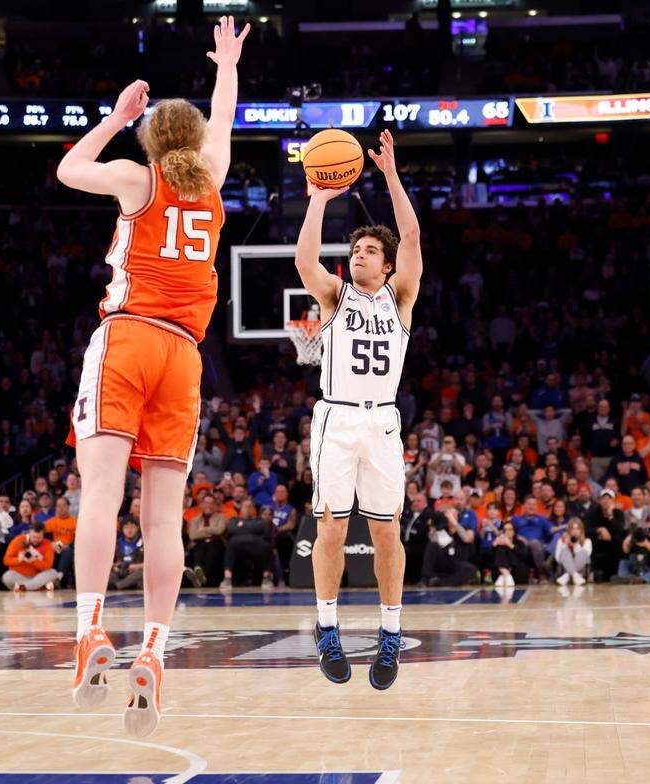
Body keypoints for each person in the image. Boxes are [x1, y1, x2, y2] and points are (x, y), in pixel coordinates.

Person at [59, 18, 250, 735]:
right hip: (184, 356)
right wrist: (226, 65)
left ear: (150, 140)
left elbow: (68, 171)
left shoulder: (136, 178)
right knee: (163, 518)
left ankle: (89, 637)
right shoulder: (215, 182)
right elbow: (225, 117)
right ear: (194, 141)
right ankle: (156, 654)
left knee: (102, 493)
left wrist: (113, 119)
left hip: (129, 337)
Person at [295, 128, 422, 690]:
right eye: (356, 250)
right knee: (331, 526)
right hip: (338, 417)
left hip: (384, 420)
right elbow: (304, 260)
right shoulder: (335, 295)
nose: (358, 255)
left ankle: (390, 635)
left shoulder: (400, 297)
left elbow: (413, 233)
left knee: (388, 531)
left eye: (370, 251)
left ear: (388, 266)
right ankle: (327, 628)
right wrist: (319, 200)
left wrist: (391, 175)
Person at [219, 500, 275, 591]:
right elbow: (231, 530)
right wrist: (250, 528)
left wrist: (241, 527)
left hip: (256, 547)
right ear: (240, 509)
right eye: (245, 507)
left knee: (267, 547)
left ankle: (266, 579)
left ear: (253, 509)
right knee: (230, 546)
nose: (248, 509)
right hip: (237, 547)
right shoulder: (234, 520)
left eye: (250, 507)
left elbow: (262, 528)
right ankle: (227, 579)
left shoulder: (259, 520)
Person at [3, 520, 62, 592]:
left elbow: (48, 566)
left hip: (37, 577)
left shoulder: (48, 544)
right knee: (6, 577)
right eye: (34, 537)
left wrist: (34, 561)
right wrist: (19, 559)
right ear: (29, 533)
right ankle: (35, 587)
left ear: (43, 534)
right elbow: (6, 560)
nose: (36, 540)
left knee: (53, 573)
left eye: (39, 537)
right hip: (19, 575)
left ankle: (24, 587)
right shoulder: (18, 540)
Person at [186, 494, 227, 587]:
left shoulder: (221, 517)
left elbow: (219, 530)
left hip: (216, 543)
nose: (209, 505)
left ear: (215, 505)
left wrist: (203, 529)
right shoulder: (195, 520)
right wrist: (211, 530)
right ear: (202, 505)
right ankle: (198, 570)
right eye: (206, 503)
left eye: (211, 503)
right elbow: (192, 535)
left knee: (212, 549)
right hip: (199, 543)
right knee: (198, 547)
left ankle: (200, 578)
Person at [109, 517, 145, 590]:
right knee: (106, 573)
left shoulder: (144, 543)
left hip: (135, 572)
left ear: (137, 528)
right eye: (126, 528)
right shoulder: (117, 543)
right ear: (122, 530)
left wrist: (134, 566)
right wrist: (115, 567)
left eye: (132, 527)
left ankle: (117, 586)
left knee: (141, 573)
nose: (129, 530)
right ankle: (124, 585)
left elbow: (151, 564)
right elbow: (111, 562)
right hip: (120, 573)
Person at [492, 519, 531, 587]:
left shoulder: (519, 542)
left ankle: (506, 575)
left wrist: (511, 546)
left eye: (510, 529)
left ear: (514, 531)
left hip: (518, 572)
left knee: (510, 552)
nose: (507, 532)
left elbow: (524, 556)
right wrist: (494, 546)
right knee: (501, 550)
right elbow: (491, 559)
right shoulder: (498, 542)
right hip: (500, 572)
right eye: (505, 530)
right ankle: (506, 574)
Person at [553, 518, 592, 586]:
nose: (575, 531)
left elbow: (585, 556)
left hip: (581, 571)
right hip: (564, 569)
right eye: (573, 529)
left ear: (581, 530)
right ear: (569, 530)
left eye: (577, 528)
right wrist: (566, 544)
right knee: (564, 551)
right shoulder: (561, 541)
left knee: (583, 553)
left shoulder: (587, 541)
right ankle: (575, 576)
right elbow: (558, 559)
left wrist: (576, 545)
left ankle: (567, 576)